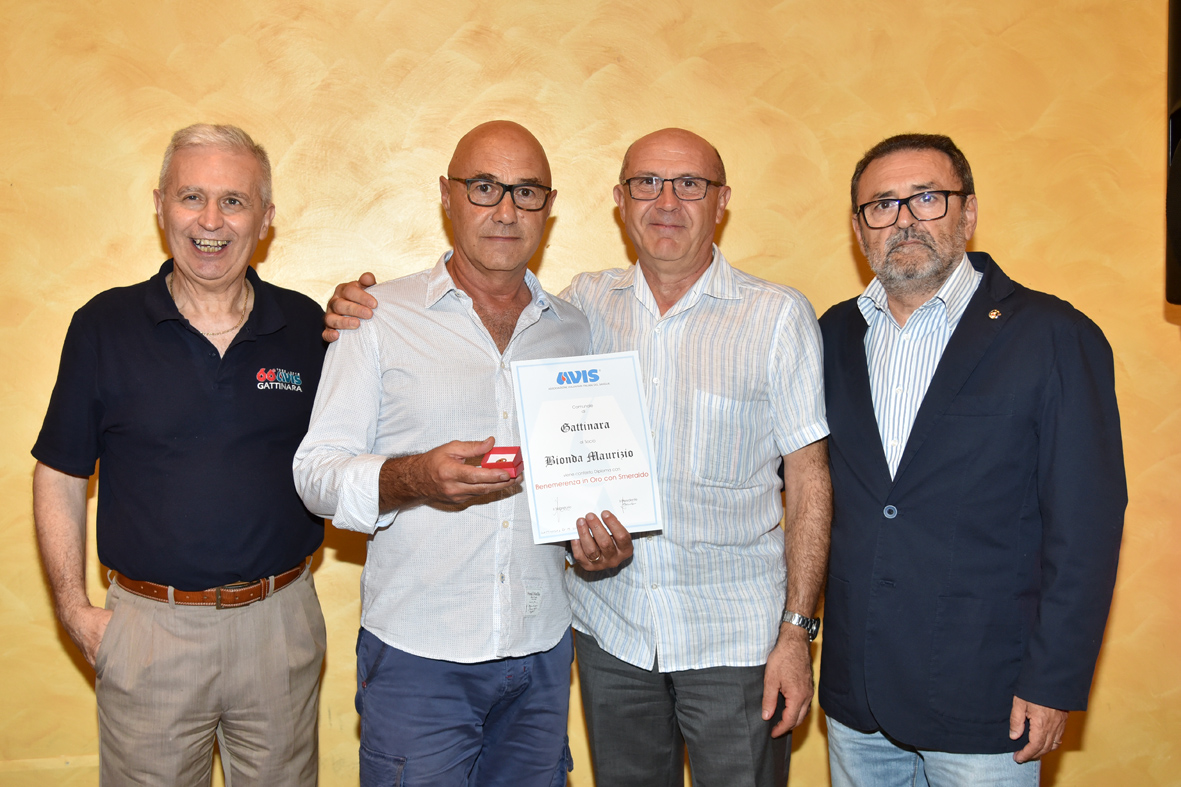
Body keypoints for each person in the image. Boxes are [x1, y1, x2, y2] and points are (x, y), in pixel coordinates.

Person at [324, 127, 832, 787]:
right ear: (620, 200)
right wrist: (352, 319)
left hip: (730, 639)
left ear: (722, 200)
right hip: (606, 635)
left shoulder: (770, 316)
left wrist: (797, 631)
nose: (667, 201)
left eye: (689, 184)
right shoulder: (579, 308)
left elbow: (809, 476)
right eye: (646, 183)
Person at [292, 120, 632, 787]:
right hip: (418, 655)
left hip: (540, 650)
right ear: (447, 195)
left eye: (526, 192)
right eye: (484, 187)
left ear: (549, 206)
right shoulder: (376, 318)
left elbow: (579, 473)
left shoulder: (574, 328)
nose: (506, 210)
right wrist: (413, 477)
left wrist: (593, 544)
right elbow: (315, 474)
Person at [818, 133, 1126, 786]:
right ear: (859, 227)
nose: (904, 219)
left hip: (989, 695)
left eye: (927, 198)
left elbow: (1086, 528)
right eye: (882, 205)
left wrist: (1053, 680)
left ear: (968, 211)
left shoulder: (1053, 336)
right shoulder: (830, 335)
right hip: (856, 696)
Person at [32, 124, 327, 785]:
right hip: (148, 634)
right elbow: (59, 472)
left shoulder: (308, 327)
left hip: (279, 627)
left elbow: (348, 459)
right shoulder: (102, 326)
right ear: (160, 205)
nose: (211, 221)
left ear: (266, 217)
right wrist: (74, 610)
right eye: (192, 196)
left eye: (234, 200)